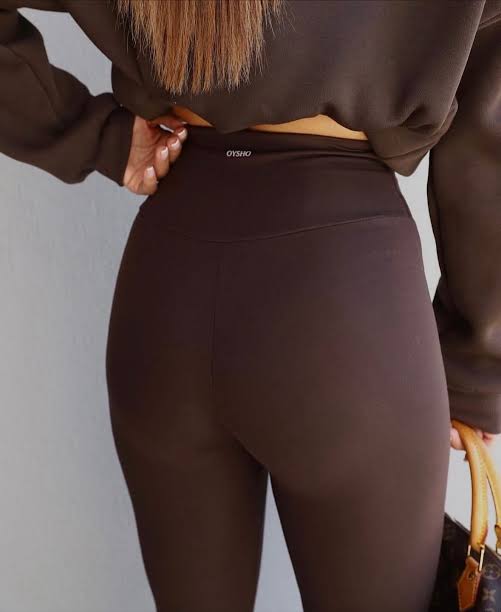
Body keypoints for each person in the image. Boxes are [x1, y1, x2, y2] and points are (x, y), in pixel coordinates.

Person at [1, 1, 500, 610]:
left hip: (168, 290)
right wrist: (476, 366)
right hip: (348, 300)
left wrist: (96, 137)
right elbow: (489, 126)